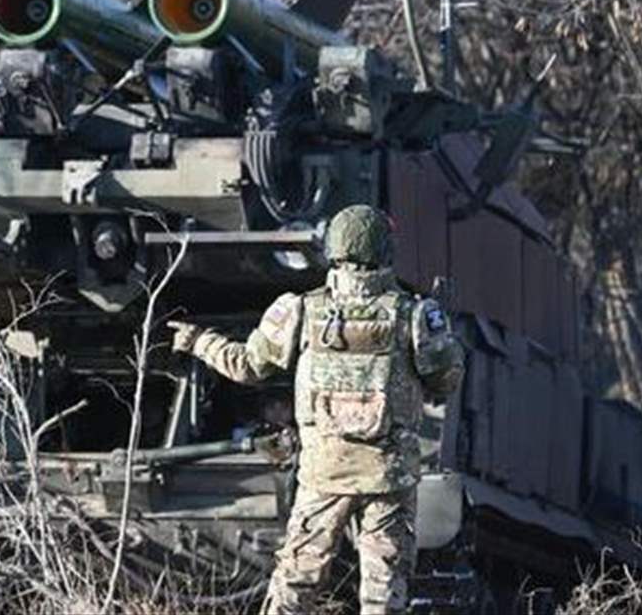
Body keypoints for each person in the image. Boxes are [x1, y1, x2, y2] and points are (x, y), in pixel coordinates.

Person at [168, 204, 465, 614]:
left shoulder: (299, 309)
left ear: (333, 250)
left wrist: (199, 341)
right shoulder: (415, 315)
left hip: (324, 473)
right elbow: (445, 382)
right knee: (384, 593)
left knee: (296, 583)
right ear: (386, 250)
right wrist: (444, 335)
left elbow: (247, 366)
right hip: (388, 476)